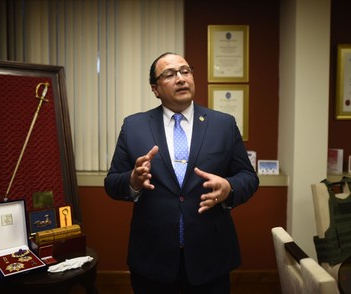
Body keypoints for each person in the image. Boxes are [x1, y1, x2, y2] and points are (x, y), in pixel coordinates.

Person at [104, 52, 259, 294]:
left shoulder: (223, 124)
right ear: (155, 89)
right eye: (169, 74)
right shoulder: (134, 126)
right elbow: (112, 182)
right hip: (152, 259)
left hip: (210, 257)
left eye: (185, 71)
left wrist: (229, 188)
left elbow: (248, 177)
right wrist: (132, 181)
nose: (180, 78)